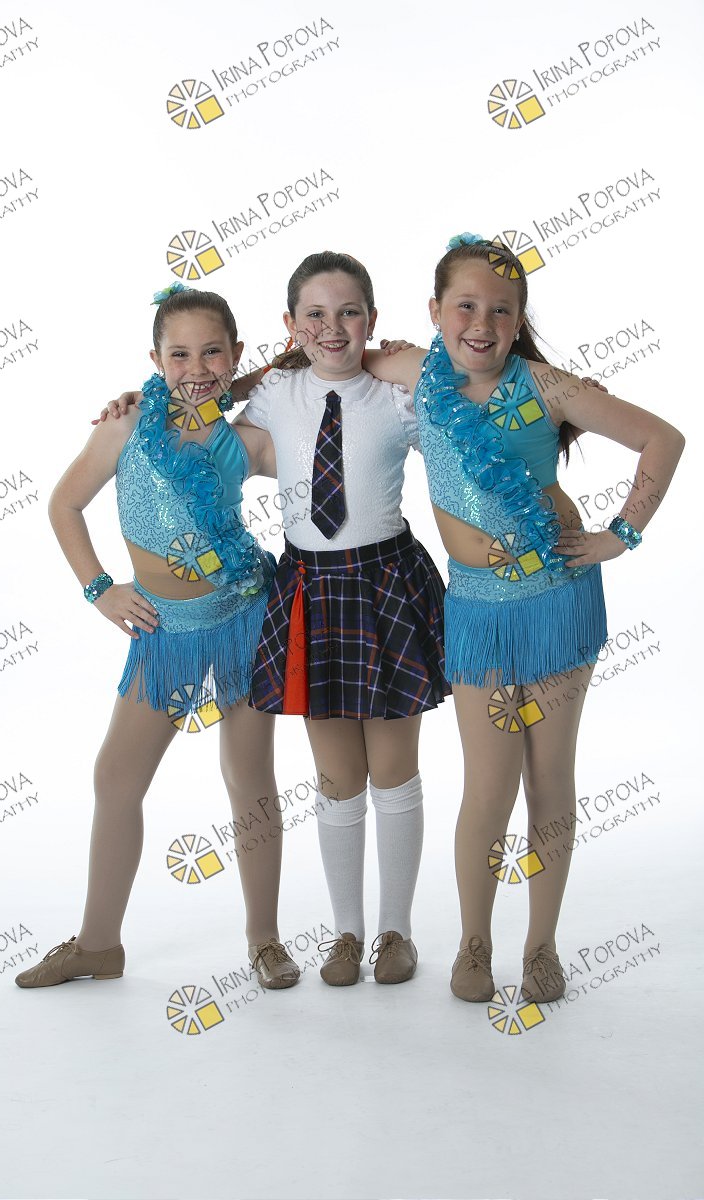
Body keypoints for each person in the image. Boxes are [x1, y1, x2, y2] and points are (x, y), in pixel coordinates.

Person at [363, 233, 685, 1003]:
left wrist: (619, 535)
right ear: (435, 310)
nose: (482, 323)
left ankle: (541, 946)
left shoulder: (545, 385)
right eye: (465, 306)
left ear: (519, 319)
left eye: (501, 310)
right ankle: (474, 942)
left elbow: (661, 439)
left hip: (556, 605)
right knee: (488, 788)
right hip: (477, 609)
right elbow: (331, 351)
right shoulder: (416, 372)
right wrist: (205, 388)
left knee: (548, 778)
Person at [16, 282, 301, 992]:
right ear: (154, 359)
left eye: (213, 353)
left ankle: (265, 940)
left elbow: (311, 399)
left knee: (249, 779)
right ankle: (97, 944)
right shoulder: (126, 427)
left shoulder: (245, 440)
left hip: (243, 616)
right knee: (116, 777)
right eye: (179, 354)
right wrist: (100, 589)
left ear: (235, 354)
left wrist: (271, 376)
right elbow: (64, 504)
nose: (196, 368)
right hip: (164, 631)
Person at [234, 252, 450, 987]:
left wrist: (408, 361)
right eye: (316, 315)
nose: (333, 328)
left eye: (349, 312)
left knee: (393, 770)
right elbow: (210, 432)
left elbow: (464, 414)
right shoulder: (275, 394)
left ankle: (396, 931)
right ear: (291, 326)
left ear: (373, 320)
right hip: (310, 592)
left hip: (385, 583)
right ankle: (346, 934)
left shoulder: (396, 396)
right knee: (336, 778)